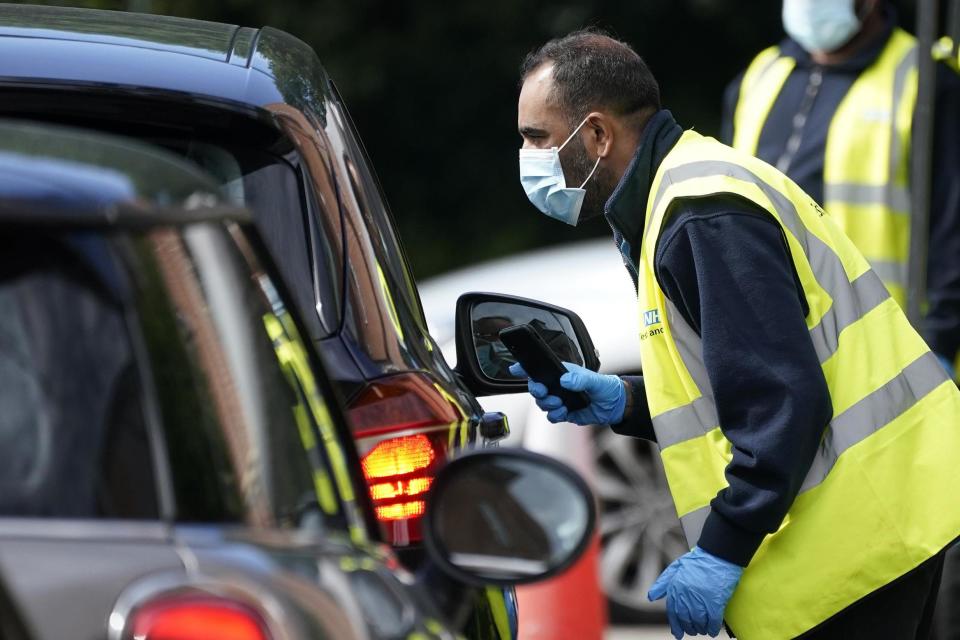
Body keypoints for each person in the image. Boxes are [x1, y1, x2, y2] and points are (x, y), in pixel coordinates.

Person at [513, 28, 960, 639]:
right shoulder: (680, 194)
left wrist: (722, 548)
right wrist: (628, 402)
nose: (529, 156)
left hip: (879, 546)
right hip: (887, 531)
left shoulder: (699, 211)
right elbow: (744, 379)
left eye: (536, 136)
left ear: (595, 135)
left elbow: (783, 403)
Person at [721, 0, 960, 378]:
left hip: (887, 359)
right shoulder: (759, 75)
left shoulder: (926, 81)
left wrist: (941, 340)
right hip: (772, 352)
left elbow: (952, 228)